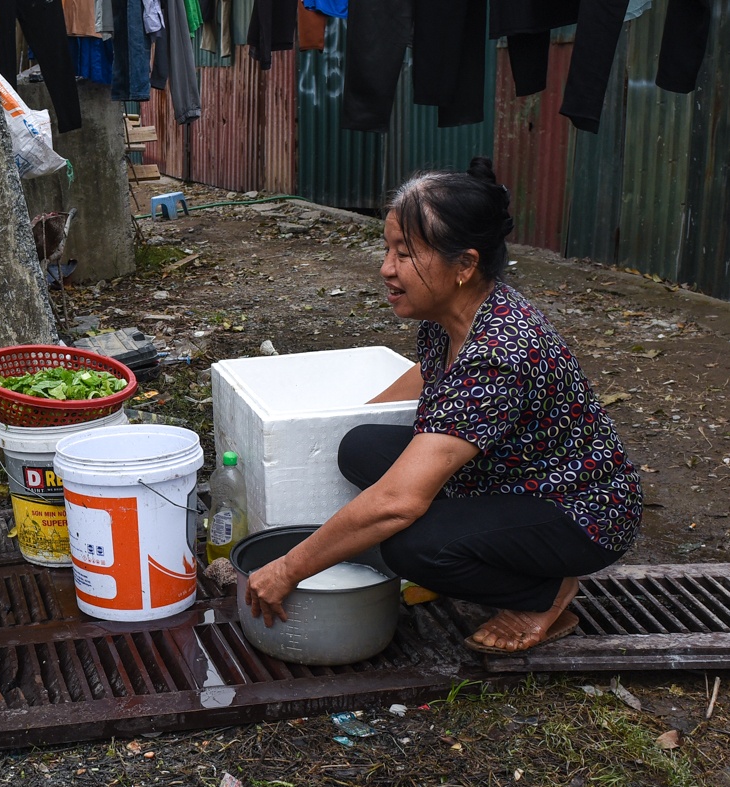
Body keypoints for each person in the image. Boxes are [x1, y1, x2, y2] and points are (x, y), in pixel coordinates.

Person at [244, 158, 643, 654]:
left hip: (578, 508)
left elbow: (397, 503)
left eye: (406, 253)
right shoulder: (452, 313)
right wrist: (329, 417)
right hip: (508, 474)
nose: (386, 268)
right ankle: (486, 545)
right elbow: (427, 377)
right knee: (362, 445)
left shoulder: (498, 353)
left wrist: (289, 568)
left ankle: (544, 594)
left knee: (414, 545)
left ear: (465, 265)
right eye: (387, 248)